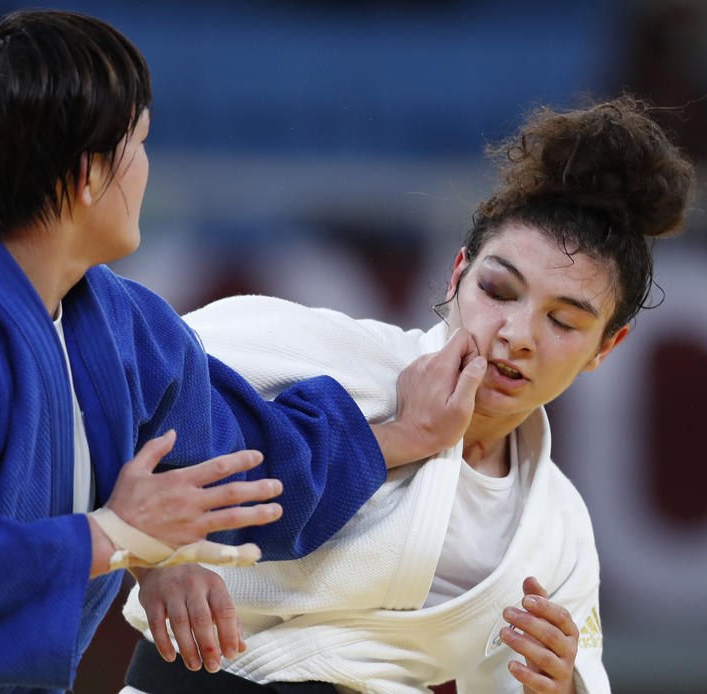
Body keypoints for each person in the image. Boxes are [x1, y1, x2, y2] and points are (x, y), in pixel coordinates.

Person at [0, 10, 483, 694]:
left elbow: (237, 469)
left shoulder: (119, 322)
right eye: (139, 142)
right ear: (88, 174)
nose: (146, 169)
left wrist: (399, 434)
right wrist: (114, 537)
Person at [121, 95, 696, 694]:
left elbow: (545, 681)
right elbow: (112, 388)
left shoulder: (557, 526)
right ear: (457, 275)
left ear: (607, 345)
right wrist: (155, 559)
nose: (518, 335)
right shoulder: (332, 354)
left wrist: (562, 687)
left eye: (563, 321)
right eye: (499, 291)